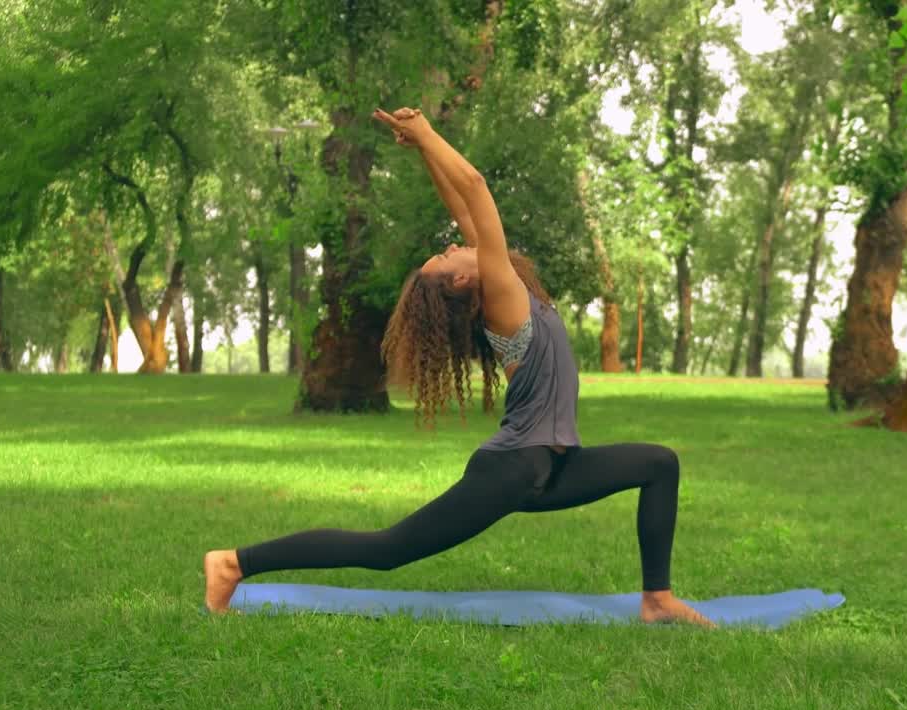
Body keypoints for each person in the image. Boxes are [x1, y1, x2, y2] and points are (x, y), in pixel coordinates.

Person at [202, 107, 711, 626]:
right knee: (388, 549)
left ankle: (657, 600)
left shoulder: (515, 287)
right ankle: (235, 562)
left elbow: (464, 207)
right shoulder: (504, 301)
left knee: (659, 463)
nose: (450, 245)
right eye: (444, 259)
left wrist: (424, 150)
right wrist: (428, 132)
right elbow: (475, 186)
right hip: (513, 468)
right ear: (465, 283)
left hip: (555, 464)